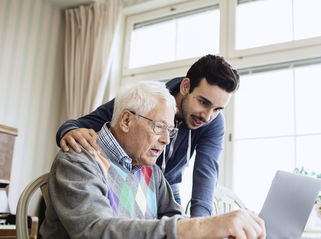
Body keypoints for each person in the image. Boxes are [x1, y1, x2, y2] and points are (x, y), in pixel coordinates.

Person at [32, 81, 265, 239]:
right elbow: (97, 236)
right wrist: (201, 227)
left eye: (170, 130)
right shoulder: (79, 159)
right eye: (159, 127)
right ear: (125, 120)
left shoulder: (150, 171)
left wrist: (217, 231)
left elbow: (176, 218)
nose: (165, 140)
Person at [56, 54, 240, 217]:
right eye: (203, 102)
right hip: (130, 178)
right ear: (186, 86)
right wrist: (69, 131)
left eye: (217, 109)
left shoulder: (213, 122)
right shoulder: (149, 101)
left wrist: (201, 225)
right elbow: (81, 124)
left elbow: (206, 172)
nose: (207, 116)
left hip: (165, 186)